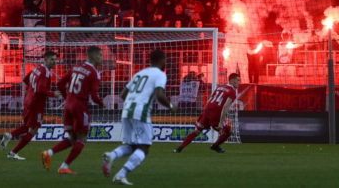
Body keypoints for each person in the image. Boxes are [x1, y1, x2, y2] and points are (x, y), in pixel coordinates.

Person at [102, 49, 175, 185]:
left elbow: (123, 94)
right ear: (162, 60)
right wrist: (170, 106)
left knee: (132, 145)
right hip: (140, 111)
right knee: (144, 147)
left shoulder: (140, 73)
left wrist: (134, 101)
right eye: (165, 60)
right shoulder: (160, 74)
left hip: (127, 110)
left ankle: (112, 155)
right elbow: (160, 95)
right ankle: (121, 175)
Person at [41, 45, 104, 174]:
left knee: (73, 138)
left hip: (68, 106)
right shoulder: (94, 73)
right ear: (93, 56)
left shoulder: (76, 67)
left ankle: (49, 153)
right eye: (100, 55)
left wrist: (68, 98)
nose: (102, 58)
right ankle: (64, 166)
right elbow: (94, 96)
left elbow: (60, 84)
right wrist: (102, 104)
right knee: (82, 138)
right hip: (80, 107)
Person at [0, 49, 58, 160]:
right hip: (36, 105)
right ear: (45, 60)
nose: (54, 62)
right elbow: (40, 90)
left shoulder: (37, 68)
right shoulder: (45, 72)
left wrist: (30, 92)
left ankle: (10, 136)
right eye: (52, 60)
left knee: (27, 126)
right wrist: (53, 94)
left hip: (28, 101)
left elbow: (26, 80)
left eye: (55, 60)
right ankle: (13, 153)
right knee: (33, 130)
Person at [174, 72, 241, 154]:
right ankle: (215, 146)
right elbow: (225, 107)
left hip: (207, 110)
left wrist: (205, 112)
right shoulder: (232, 92)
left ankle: (179, 149)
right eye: (238, 80)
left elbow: (210, 99)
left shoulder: (220, 87)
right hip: (216, 113)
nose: (239, 83)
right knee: (228, 131)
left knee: (197, 131)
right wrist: (220, 122)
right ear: (232, 80)